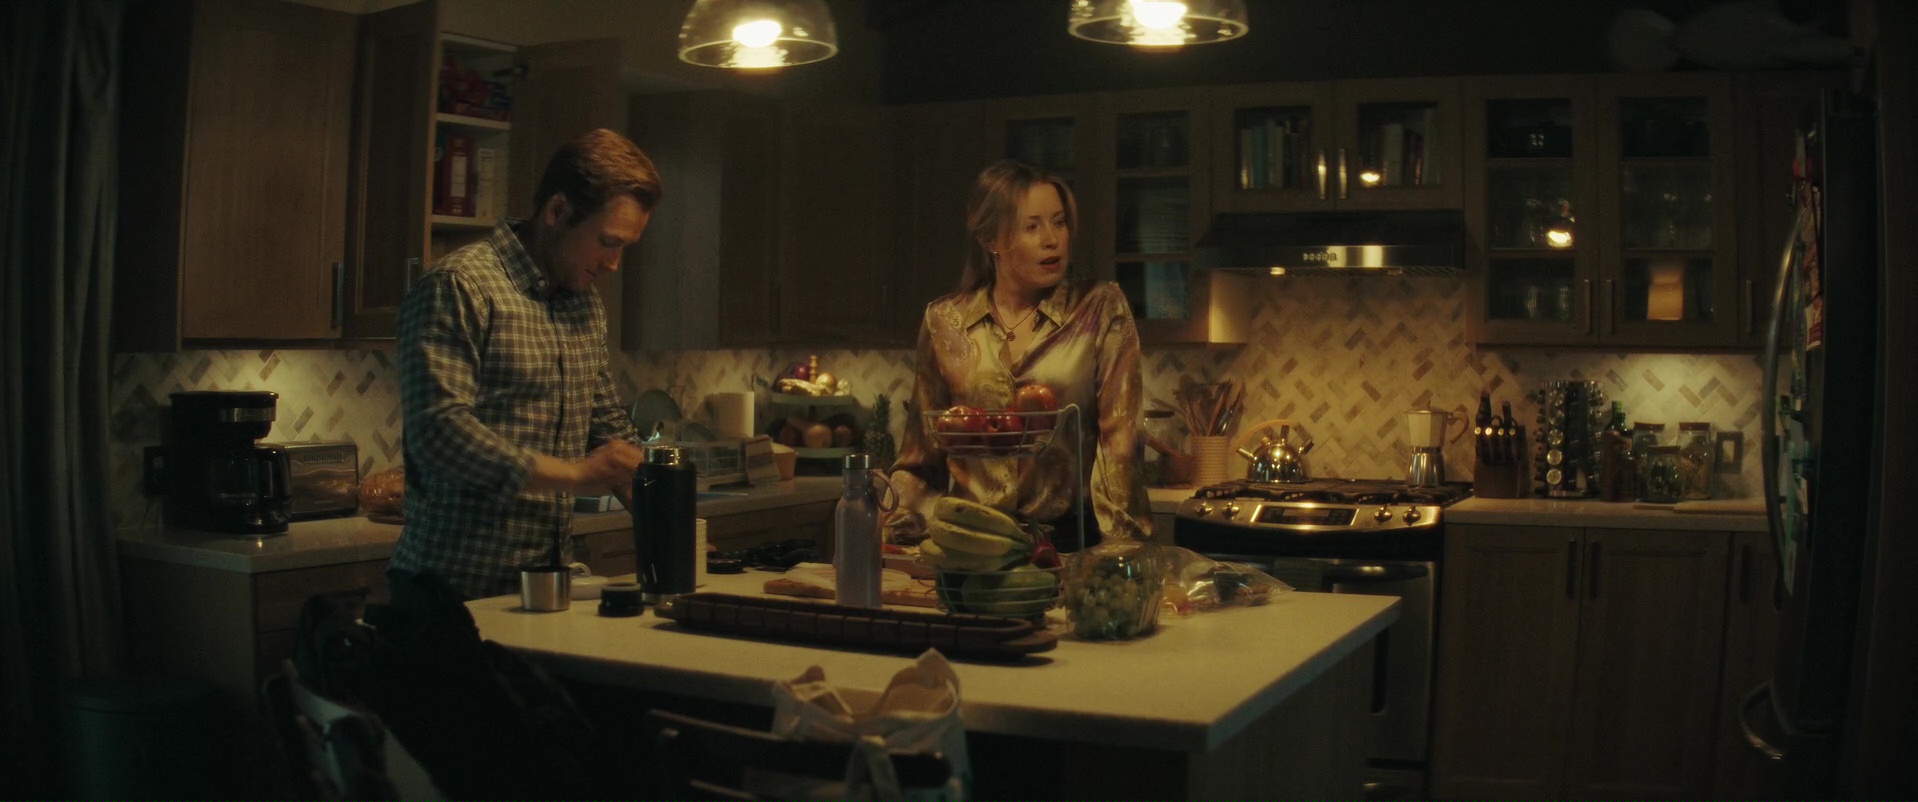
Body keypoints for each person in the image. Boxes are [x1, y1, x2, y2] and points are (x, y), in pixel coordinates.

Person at [392, 128, 660, 599]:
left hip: (546, 583)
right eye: (608, 242)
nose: (614, 263)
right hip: (452, 589)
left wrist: (667, 524)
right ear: (557, 211)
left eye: (624, 248)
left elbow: (606, 429)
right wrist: (576, 475)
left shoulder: (583, 302)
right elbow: (438, 432)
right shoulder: (460, 285)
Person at [885, 159, 1152, 550]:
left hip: (1067, 544)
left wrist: (1121, 557)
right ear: (990, 239)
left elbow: (1121, 449)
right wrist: (889, 527)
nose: (1052, 240)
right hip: (970, 545)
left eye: (1059, 222)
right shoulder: (945, 321)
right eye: (1032, 226)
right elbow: (920, 460)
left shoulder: (1099, 308)